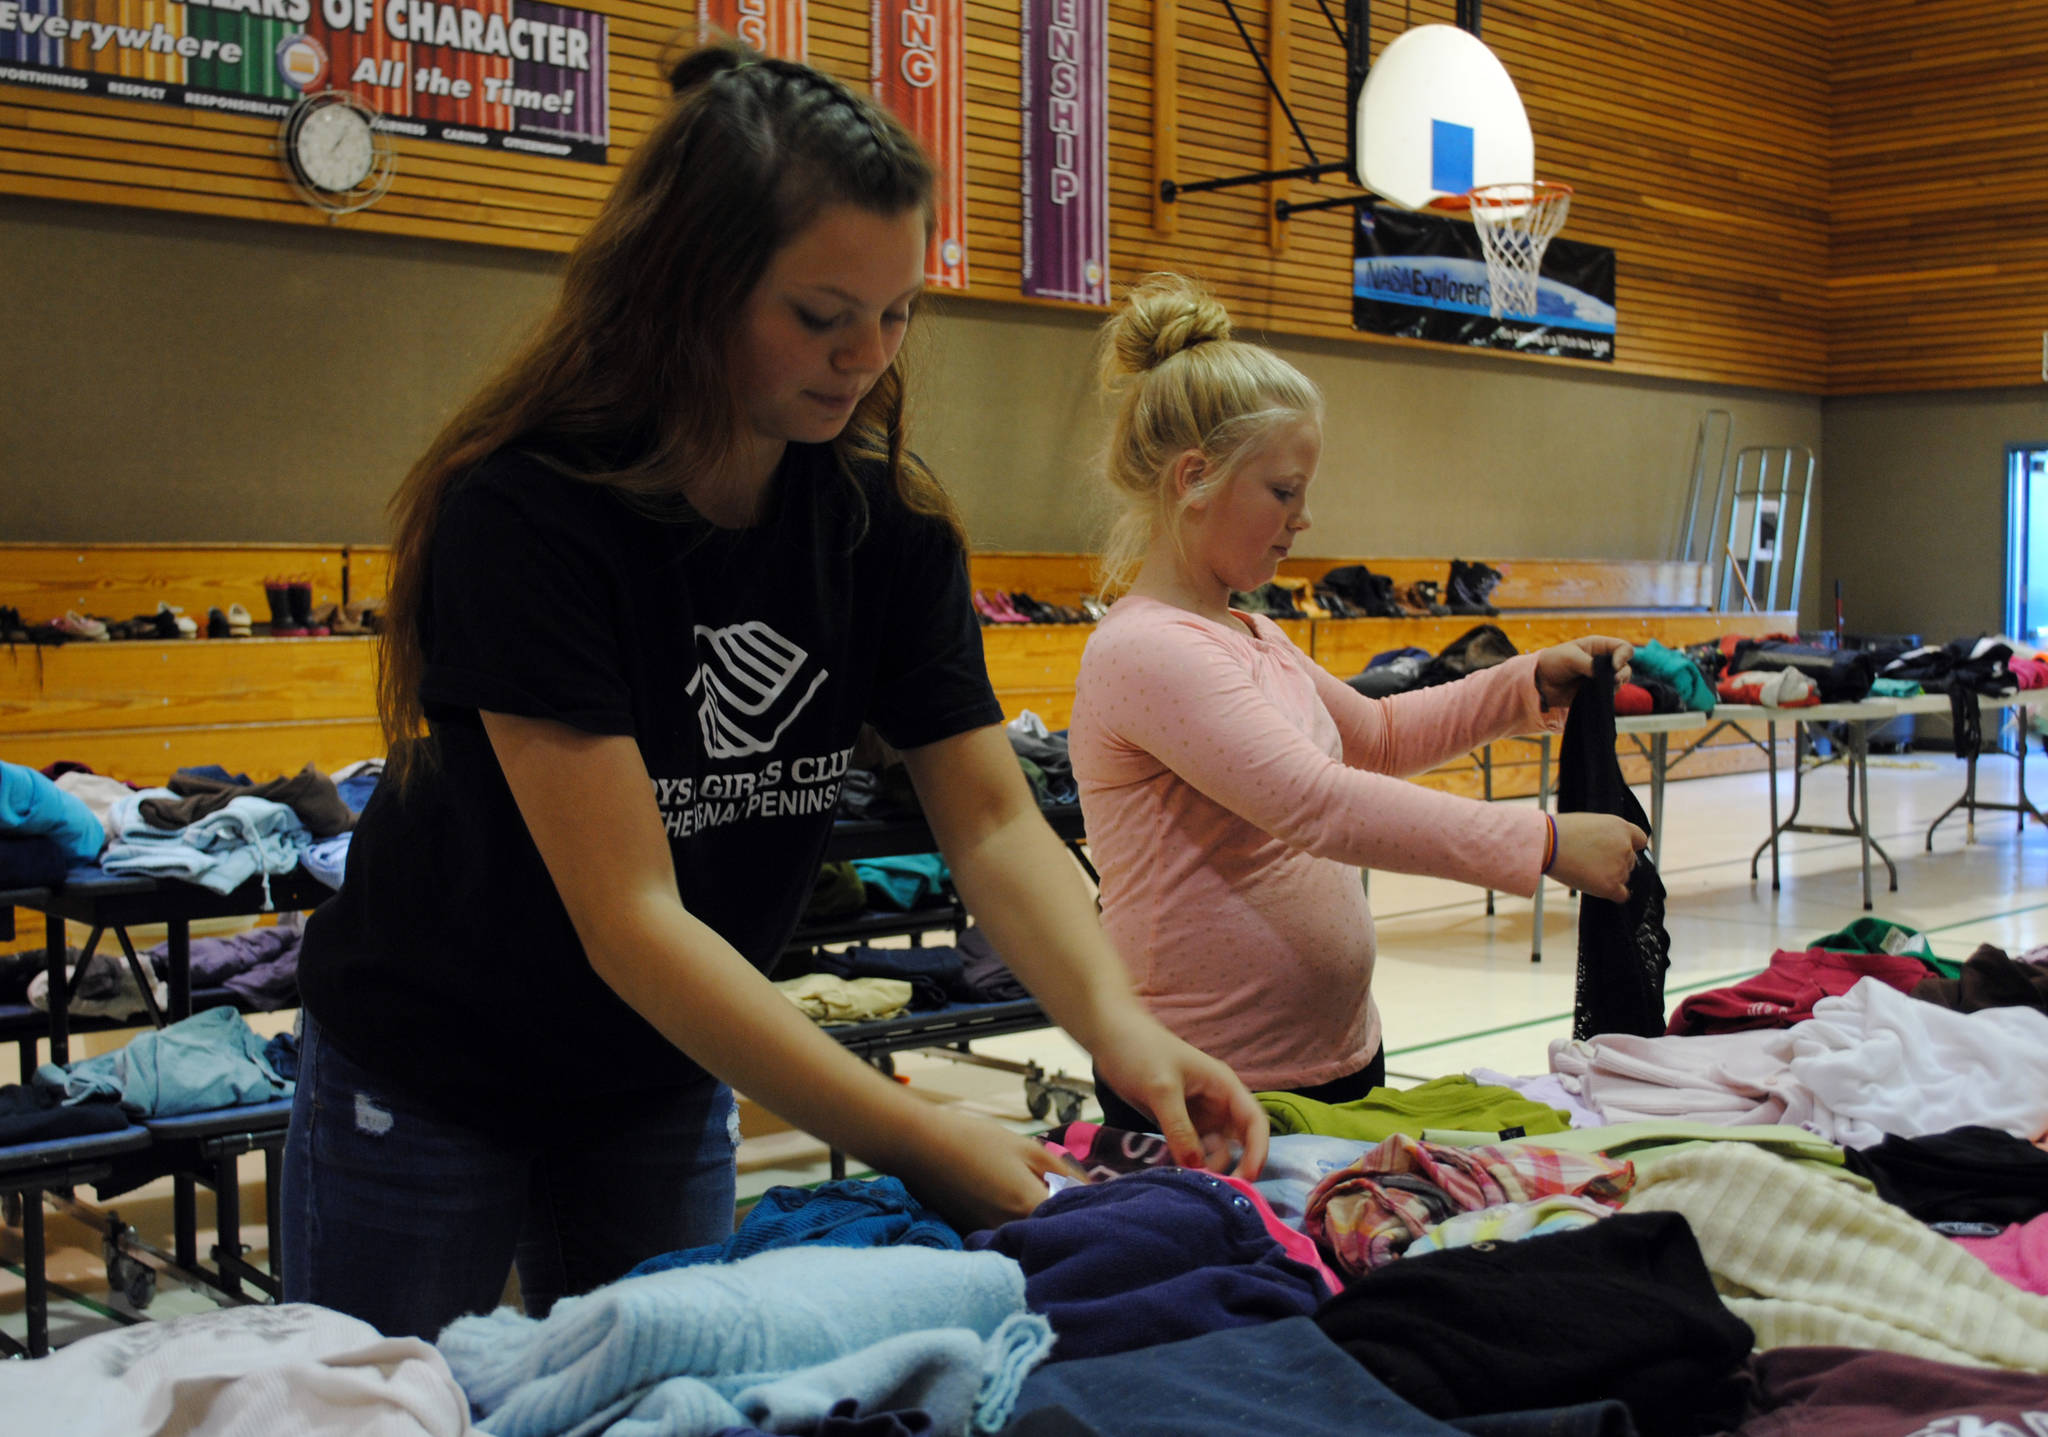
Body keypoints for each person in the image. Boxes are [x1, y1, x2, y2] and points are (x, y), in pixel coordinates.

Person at [282, 53, 1265, 1340]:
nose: (863, 356)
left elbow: (989, 825)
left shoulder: (885, 526)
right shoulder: (527, 515)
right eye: (818, 314)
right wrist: (909, 1128)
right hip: (431, 1071)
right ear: (687, 287)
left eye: (898, 313)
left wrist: (1122, 1033)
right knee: (382, 1408)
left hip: (662, 1071)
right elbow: (631, 915)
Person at [1067, 273, 1647, 1131]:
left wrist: (1522, 684)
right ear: (1195, 478)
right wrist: (1546, 842)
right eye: (1283, 491)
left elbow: (1372, 735)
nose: (1303, 519)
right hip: (1211, 1084)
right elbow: (1318, 803)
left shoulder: (1252, 634)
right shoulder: (1146, 650)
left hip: (1331, 1061)